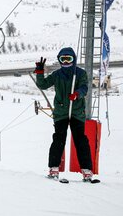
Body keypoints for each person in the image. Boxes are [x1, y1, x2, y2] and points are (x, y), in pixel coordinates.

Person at [34, 47, 95, 182]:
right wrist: (39, 72)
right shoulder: (57, 75)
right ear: (59, 60)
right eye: (63, 59)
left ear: (74, 59)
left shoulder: (80, 73)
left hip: (77, 112)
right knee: (59, 139)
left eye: (69, 59)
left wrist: (77, 94)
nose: (66, 62)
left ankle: (86, 170)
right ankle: (54, 168)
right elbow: (43, 85)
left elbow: (85, 88)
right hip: (61, 112)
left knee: (80, 141)